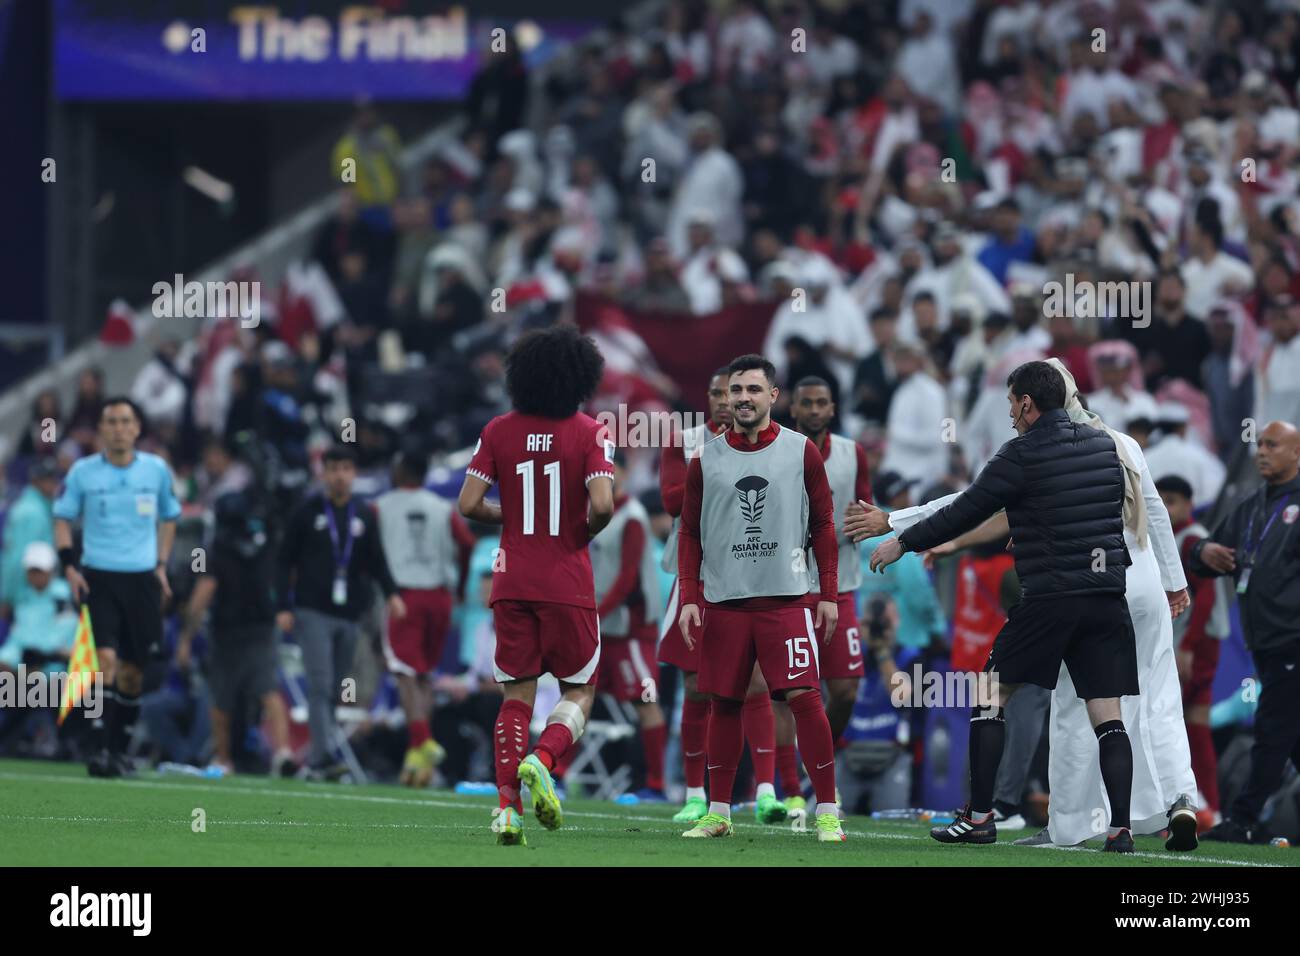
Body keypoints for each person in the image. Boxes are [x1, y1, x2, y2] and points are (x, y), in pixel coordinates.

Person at [850, 360, 1142, 852]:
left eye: (1011, 402)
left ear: (1027, 402)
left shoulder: (1021, 453)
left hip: (1051, 596)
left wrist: (904, 540)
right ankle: (1120, 830)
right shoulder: (1103, 444)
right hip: (1107, 597)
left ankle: (981, 817)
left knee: (989, 694)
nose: (1009, 412)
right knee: (1108, 718)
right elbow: (1102, 508)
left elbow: (968, 509)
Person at [457, 325, 617, 847]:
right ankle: (543, 758)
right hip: (566, 580)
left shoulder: (498, 429)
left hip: (512, 578)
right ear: (581, 376)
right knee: (580, 689)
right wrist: (577, 534)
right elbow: (602, 506)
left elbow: (467, 504)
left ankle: (507, 811)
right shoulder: (592, 431)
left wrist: (515, 517)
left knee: (515, 696)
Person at [676, 353, 845, 842]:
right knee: (722, 703)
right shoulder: (705, 457)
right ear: (726, 399)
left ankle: (828, 810)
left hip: (786, 601)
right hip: (725, 602)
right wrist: (690, 595)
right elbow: (688, 532)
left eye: (753, 390)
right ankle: (719, 812)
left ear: (775, 397)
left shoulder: (800, 451)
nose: (743, 398)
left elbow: (824, 525)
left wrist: (827, 595)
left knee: (805, 699)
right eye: (736, 390)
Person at [658, 369, 787, 826]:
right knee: (696, 685)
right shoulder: (687, 441)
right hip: (694, 574)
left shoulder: (768, 443)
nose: (723, 401)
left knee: (755, 682)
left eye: (730, 392)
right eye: (716, 392)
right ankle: (695, 793)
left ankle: (767, 791)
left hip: (748, 572)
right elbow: (673, 501)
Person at [53, 397, 182, 777]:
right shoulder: (82, 472)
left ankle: (118, 750)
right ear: (101, 430)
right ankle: (97, 750)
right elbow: (62, 518)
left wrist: (161, 565)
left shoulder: (156, 471)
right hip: (99, 577)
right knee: (103, 661)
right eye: (111, 421)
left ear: (138, 428)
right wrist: (69, 568)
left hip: (142, 579)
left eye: (126, 421)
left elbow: (171, 517)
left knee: (132, 671)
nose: (119, 428)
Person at [1192, 420, 1300, 843]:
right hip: (1267, 639)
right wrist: (1204, 550)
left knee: (1273, 727)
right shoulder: (1254, 504)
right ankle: (1246, 815)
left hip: (1293, 636)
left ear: (1296, 453)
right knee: (1290, 737)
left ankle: (1244, 818)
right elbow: (1206, 553)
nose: (1262, 451)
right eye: (1260, 444)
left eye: (1273, 445)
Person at [773, 376, 874, 813]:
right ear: (793, 409)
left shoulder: (853, 454)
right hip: (789, 588)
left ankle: (815, 765)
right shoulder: (779, 452)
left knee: (847, 690)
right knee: (786, 692)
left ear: (832, 409)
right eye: (806, 403)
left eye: (821, 403)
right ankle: (793, 787)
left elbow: (866, 509)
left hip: (841, 586)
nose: (814, 410)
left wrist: (861, 521)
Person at [275, 445, 406, 780]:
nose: (340, 475)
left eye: (346, 468)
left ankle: (323, 755)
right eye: (333, 468)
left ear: (354, 473)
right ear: (323, 473)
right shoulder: (306, 512)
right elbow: (283, 560)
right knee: (320, 684)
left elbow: (377, 560)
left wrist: (392, 595)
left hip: (349, 614)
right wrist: (283, 606)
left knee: (336, 686)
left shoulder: (363, 513)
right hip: (311, 610)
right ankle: (321, 758)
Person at [375, 451, 475, 787]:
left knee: (403, 673)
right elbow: (467, 543)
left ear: (399, 471)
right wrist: (459, 586)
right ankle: (418, 764)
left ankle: (422, 739)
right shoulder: (443, 508)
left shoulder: (381, 506)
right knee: (423, 676)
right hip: (439, 597)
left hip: (403, 596)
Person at [179, 490, 295, 777]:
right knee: (268, 690)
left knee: (221, 700)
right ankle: (283, 753)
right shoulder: (267, 542)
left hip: (227, 632)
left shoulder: (216, 549)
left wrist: (186, 634)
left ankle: (224, 758)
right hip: (262, 628)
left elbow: (205, 590)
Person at [590, 452, 667, 799]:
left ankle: (657, 784)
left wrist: (593, 611)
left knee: (645, 701)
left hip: (632, 630)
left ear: (621, 472)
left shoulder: (632, 517)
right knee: (581, 694)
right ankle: (558, 775)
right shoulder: (591, 510)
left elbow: (627, 578)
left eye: (609, 469)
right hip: (603, 625)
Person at [1157, 475, 1227, 829]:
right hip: (1201, 642)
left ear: (1188, 503)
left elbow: (1208, 596)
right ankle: (1210, 809)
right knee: (1196, 725)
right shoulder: (1177, 538)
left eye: (1173, 501)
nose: (1166, 508)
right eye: (1161, 500)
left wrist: (1186, 647)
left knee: (1174, 725)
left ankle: (1189, 805)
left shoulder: (1192, 539)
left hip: (1197, 644)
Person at [0, 458, 61, 622]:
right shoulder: (31, 513)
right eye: (48, 479)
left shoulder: (39, 507)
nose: (54, 484)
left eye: (54, 479)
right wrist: (7, 597)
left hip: (34, 595)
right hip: (25, 597)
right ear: (36, 481)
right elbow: (17, 559)